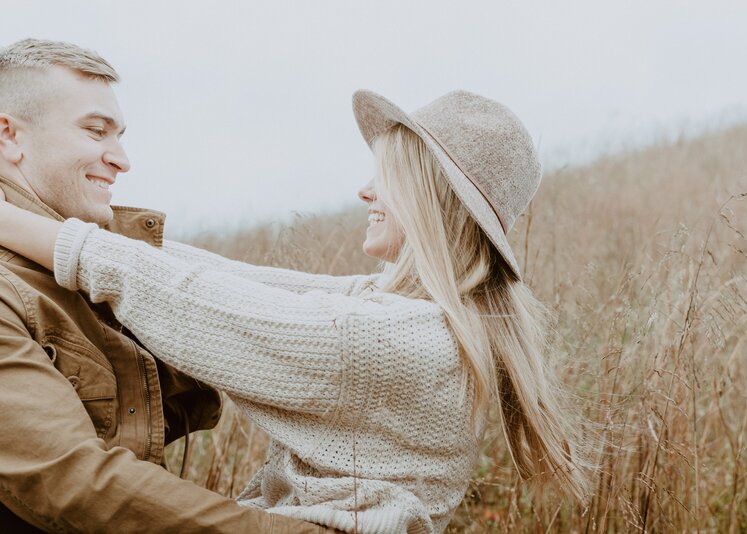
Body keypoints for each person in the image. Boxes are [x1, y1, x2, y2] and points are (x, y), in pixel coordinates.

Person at [0, 88, 592, 533]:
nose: (364, 192)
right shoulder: (407, 313)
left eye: (383, 177)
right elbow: (241, 281)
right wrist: (85, 228)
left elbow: (194, 301)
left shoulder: (397, 340)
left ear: (426, 199)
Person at [0, 38, 338, 533]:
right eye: (96, 131)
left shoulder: (91, 266)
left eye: (119, 135)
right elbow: (75, 482)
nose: (120, 159)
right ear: (9, 136)